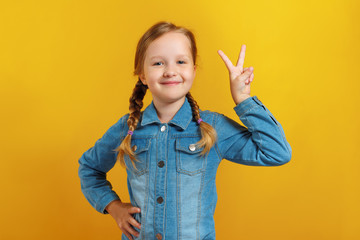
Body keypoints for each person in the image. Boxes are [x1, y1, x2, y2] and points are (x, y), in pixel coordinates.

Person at [78, 21, 292, 240]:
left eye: (181, 61)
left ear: (193, 70)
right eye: (158, 63)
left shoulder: (212, 127)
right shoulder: (128, 127)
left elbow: (277, 152)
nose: (171, 71)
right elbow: (89, 168)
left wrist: (243, 99)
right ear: (142, 75)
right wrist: (113, 207)